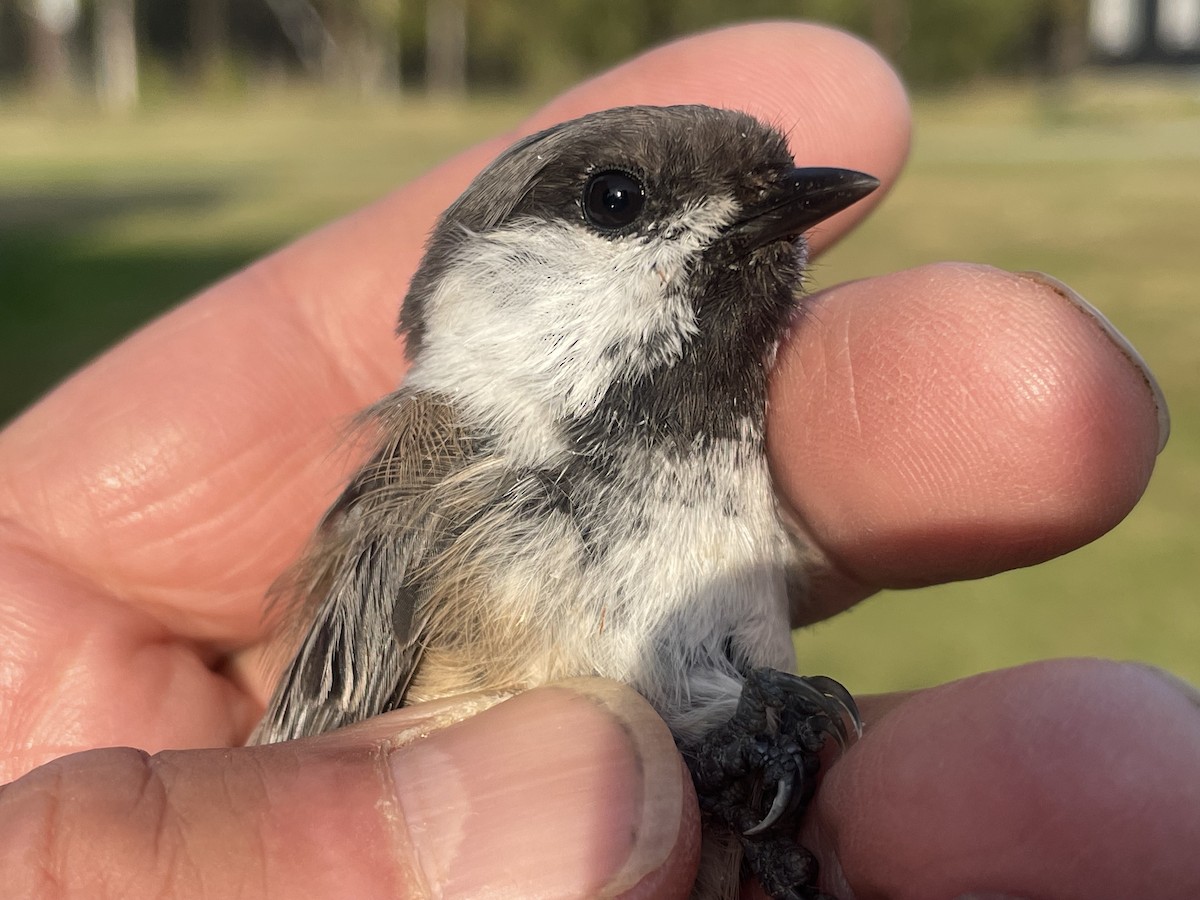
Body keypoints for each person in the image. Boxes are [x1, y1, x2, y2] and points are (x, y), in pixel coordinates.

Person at [0, 21, 1195, 899]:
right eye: (623, 204)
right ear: (475, 287)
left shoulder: (739, 459)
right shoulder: (446, 469)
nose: (739, 233)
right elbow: (318, 769)